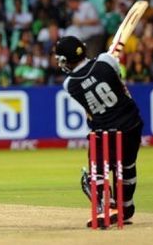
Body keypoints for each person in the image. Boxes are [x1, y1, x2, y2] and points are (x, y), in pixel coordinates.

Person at [55, 36, 143, 227]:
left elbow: (90, 111)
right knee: (127, 166)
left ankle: (107, 207)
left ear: (65, 60)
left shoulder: (70, 84)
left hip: (104, 132)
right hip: (132, 124)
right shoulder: (106, 60)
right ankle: (125, 208)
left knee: (97, 173)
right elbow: (119, 84)